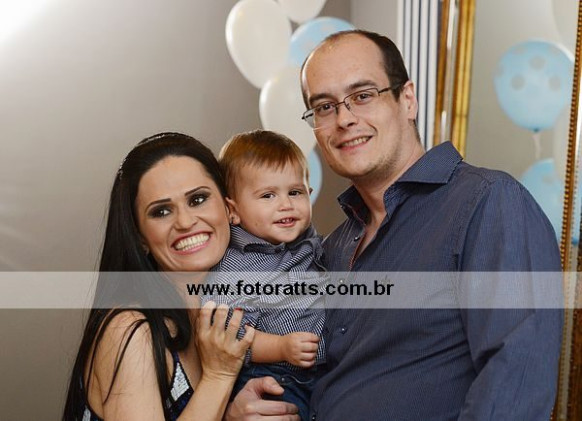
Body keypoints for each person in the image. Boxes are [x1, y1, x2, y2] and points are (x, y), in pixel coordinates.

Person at [226, 30, 563, 421]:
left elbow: (516, 380)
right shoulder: (328, 248)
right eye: (325, 106)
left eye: (363, 95)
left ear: (408, 100)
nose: (344, 119)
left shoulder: (486, 202)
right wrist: (241, 406)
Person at [62, 132, 255, 421]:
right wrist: (219, 377)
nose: (185, 222)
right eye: (162, 211)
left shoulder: (232, 314)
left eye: (198, 199)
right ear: (140, 237)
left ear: (229, 208)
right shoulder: (130, 330)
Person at [206, 130, 325, 421]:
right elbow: (233, 336)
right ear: (232, 211)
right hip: (275, 376)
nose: (286, 204)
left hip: (321, 372)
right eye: (268, 195)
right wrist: (281, 347)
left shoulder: (308, 241)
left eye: (295, 192)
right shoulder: (237, 266)